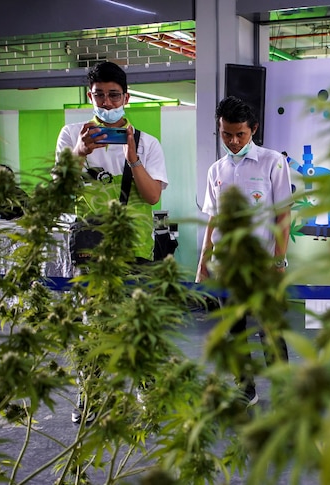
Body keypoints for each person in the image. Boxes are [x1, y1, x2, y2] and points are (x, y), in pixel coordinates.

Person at [55, 61, 169, 423]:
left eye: (113, 95)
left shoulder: (148, 142)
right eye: (99, 95)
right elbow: (59, 192)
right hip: (90, 247)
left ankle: (147, 393)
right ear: (90, 97)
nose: (106, 103)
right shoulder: (71, 134)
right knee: (93, 325)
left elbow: (152, 197)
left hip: (134, 246)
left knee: (139, 322)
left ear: (127, 97)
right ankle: (90, 397)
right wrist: (79, 154)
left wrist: (132, 158)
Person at [196, 96, 292, 406]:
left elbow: (283, 215)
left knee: (270, 331)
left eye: (241, 134)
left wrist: (279, 261)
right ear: (219, 130)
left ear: (254, 129)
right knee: (234, 330)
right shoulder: (217, 170)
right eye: (227, 134)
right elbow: (213, 218)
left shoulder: (273, 162)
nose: (234, 141)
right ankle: (245, 388)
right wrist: (203, 262)